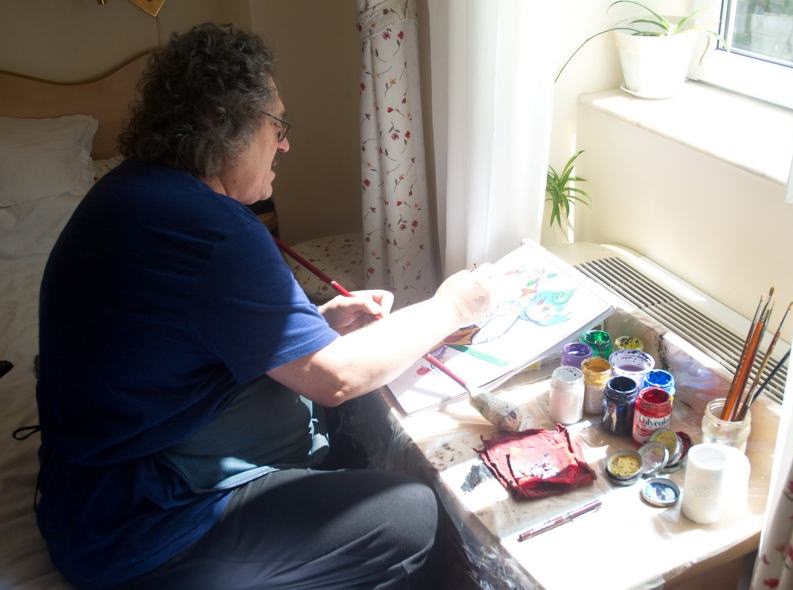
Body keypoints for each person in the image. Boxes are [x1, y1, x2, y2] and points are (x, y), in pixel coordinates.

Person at [36, 23, 494, 590]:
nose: (285, 144)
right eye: (277, 125)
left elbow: (179, 335)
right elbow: (337, 379)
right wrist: (452, 306)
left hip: (87, 497)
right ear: (225, 126)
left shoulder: (134, 192)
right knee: (410, 516)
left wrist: (316, 324)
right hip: (139, 529)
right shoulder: (213, 232)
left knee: (345, 437)